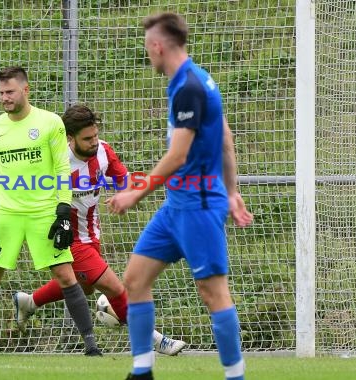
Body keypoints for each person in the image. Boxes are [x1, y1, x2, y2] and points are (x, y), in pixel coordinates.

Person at [106, 13, 253, 380]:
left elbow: (179, 156)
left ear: (158, 46)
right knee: (136, 279)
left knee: (212, 292)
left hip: (199, 206)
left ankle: (236, 376)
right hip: (176, 206)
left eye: (147, 48)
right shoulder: (194, 80)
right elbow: (225, 140)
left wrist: (135, 193)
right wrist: (233, 192)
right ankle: (142, 372)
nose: (147, 55)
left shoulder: (189, 85)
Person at [13, 104, 186, 356]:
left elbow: (124, 180)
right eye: (87, 138)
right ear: (70, 139)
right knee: (115, 288)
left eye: (95, 135)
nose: (94, 141)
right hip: (64, 236)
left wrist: (125, 195)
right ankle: (157, 340)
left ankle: (29, 301)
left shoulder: (103, 150)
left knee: (83, 286)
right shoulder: (55, 159)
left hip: (91, 233)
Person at [0, 67, 101, 357]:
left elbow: (60, 167)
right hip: (6, 215)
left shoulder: (50, 123)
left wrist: (61, 210)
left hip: (43, 213)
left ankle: (91, 345)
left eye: (9, 92)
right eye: (0, 94)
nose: (4, 98)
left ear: (25, 90)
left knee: (66, 276)